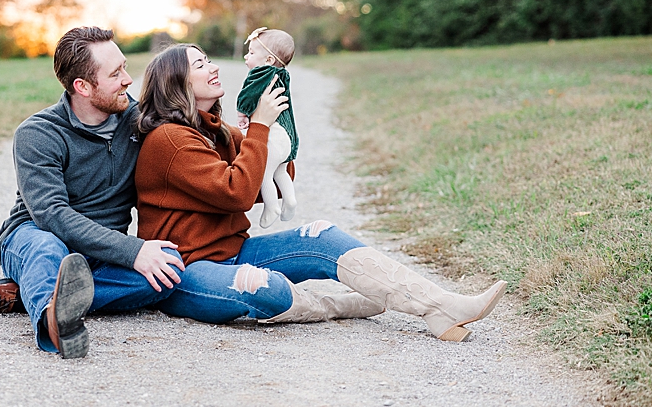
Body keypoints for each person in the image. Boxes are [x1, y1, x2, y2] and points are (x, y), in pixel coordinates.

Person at [134, 44, 507, 339]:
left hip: (234, 252)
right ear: (177, 83)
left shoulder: (214, 129)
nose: (213, 67)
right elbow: (238, 193)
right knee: (267, 288)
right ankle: (335, 305)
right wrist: (259, 130)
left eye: (209, 59)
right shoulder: (169, 139)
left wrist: (272, 133)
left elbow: (280, 181)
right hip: (186, 273)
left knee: (322, 235)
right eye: (200, 64)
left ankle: (440, 307)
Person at [0, 26, 184, 359]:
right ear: (83, 87)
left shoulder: (139, 122)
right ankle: (54, 325)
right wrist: (133, 250)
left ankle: (21, 295)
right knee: (48, 250)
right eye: (115, 74)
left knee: (168, 268)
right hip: (33, 234)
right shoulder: (39, 133)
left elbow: (190, 139)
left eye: (125, 68)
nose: (128, 80)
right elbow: (52, 216)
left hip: (100, 251)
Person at [236, 27, 299, 228]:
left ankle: (271, 206)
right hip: (287, 137)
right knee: (280, 172)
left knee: (262, 171)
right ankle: (290, 200)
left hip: (275, 135)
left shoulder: (260, 72)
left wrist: (242, 111)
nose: (247, 56)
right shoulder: (282, 74)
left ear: (269, 60)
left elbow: (248, 93)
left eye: (252, 53)